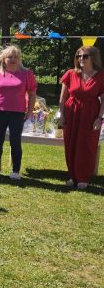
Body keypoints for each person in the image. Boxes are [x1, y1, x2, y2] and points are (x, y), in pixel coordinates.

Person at [0, 45, 37, 180]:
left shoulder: (27, 73)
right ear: (4, 59)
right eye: (10, 57)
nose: (13, 59)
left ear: (20, 59)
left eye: (16, 57)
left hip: (18, 113)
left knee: (15, 141)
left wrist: (30, 110)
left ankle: (15, 171)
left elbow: (32, 93)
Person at [58, 45, 104, 189]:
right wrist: (61, 115)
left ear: (93, 58)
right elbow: (62, 98)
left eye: (85, 56)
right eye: (79, 56)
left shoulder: (101, 76)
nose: (81, 59)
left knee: (87, 145)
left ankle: (83, 177)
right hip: (71, 112)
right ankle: (73, 176)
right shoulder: (70, 74)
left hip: (91, 114)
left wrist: (100, 118)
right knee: (70, 144)